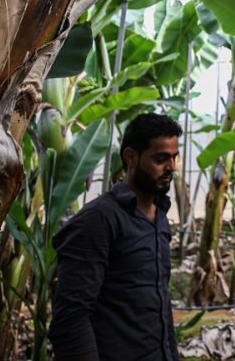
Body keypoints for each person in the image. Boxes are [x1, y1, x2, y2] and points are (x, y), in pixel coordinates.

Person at [49, 112, 182, 361]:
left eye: (174, 158)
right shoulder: (99, 220)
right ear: (130, 157)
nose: (171, 168)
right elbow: (71, 319)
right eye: (160, 158)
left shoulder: (160, 216)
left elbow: (161, 306)